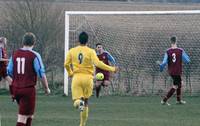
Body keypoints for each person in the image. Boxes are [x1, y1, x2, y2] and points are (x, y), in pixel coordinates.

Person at [64, 32, 117, 126]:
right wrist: (112, 69)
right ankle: (82, 124)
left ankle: (78, 102)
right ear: (87, 41)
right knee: (86, 102)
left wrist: (70, 73)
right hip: (88, 79)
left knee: (77, 101)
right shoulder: (91, 51)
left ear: (78, 40)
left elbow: (66, 64)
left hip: (76, 78)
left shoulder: (72, 51)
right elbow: (98, 63)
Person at [7, 32, 51, 126]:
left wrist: (17, 80)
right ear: (34, 43)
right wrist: (46, 88)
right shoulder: (34, 55)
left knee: (29, 115)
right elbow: (41, 73)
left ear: (23, 42)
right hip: (27, 90)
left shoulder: (14, 54)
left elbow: (9, 71)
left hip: (16, 89)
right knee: (22, 117)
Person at [159, 36, 190, 106]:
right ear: (176, 41)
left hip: (171, 71)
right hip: (177, 71)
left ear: (171, 42)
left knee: (178, 84)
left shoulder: (167, 51)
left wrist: (161, 67)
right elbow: (187, 60)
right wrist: (184, 58)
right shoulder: (181, 50)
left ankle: (178, 100)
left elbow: (164, 62)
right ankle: (164, 100)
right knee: (177, 85)